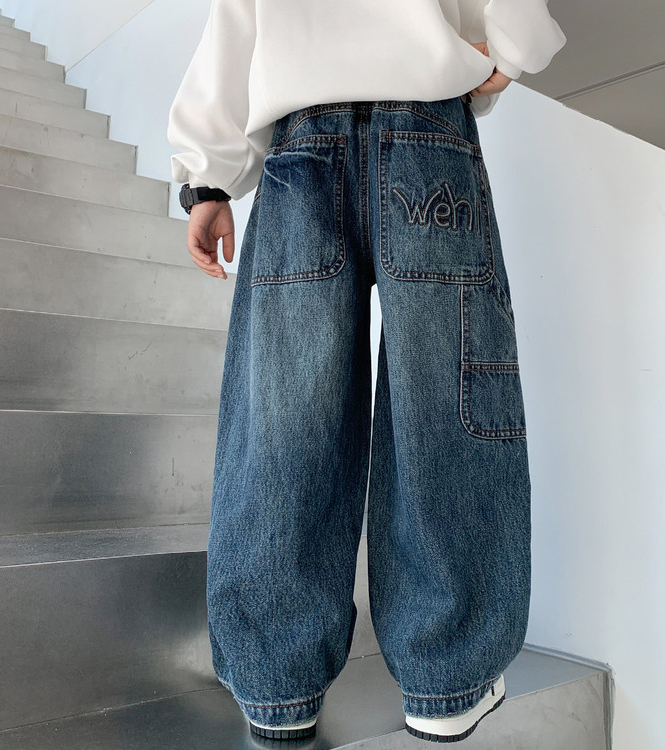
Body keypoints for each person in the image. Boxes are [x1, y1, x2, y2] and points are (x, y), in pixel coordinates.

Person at [167, 0, 566, 743]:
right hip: (429, 134)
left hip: (301, 150)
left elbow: (235, 23)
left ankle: (278, 687)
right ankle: (447, 682)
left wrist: (208, 181)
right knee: (445, 409)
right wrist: (512, 48)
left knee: (285, 418)